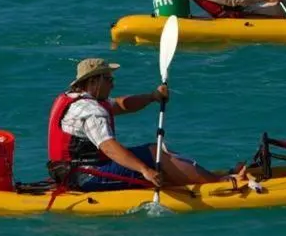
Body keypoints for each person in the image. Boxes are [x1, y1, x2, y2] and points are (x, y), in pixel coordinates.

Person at [47, 58, 247, 190]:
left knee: (158, 154)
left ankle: (207, 176)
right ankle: (220, 184)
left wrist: (152, 97)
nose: (113, 83)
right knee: (153, 154)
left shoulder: (76, 99)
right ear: (93, 82)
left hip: (77, 172)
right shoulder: (90, 111)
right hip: (87, 178)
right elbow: (109, 148)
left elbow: (121, 105)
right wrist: (144, 169)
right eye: (108, 79)